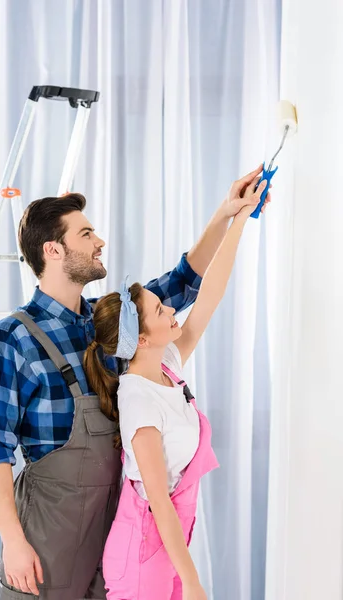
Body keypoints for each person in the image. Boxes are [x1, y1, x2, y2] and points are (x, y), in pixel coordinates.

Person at [0, 165, 269, 600]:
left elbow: (185, 283)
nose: (100, 241)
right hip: (46, 544)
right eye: (86, 234)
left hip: (113, 535)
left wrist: (226, 214)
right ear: (53, 251)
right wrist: (13, 542)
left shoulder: (111, 326)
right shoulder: (12, 338)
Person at [82, 173, 269, 600]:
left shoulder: (165, 364)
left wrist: (240, 218)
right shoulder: (138, 401)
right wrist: (193, 582)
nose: (172, 310)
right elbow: (160, 504)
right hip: (143, 554)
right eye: (161, 309)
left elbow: (210, 297)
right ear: (141, 340)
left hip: (166, 544)